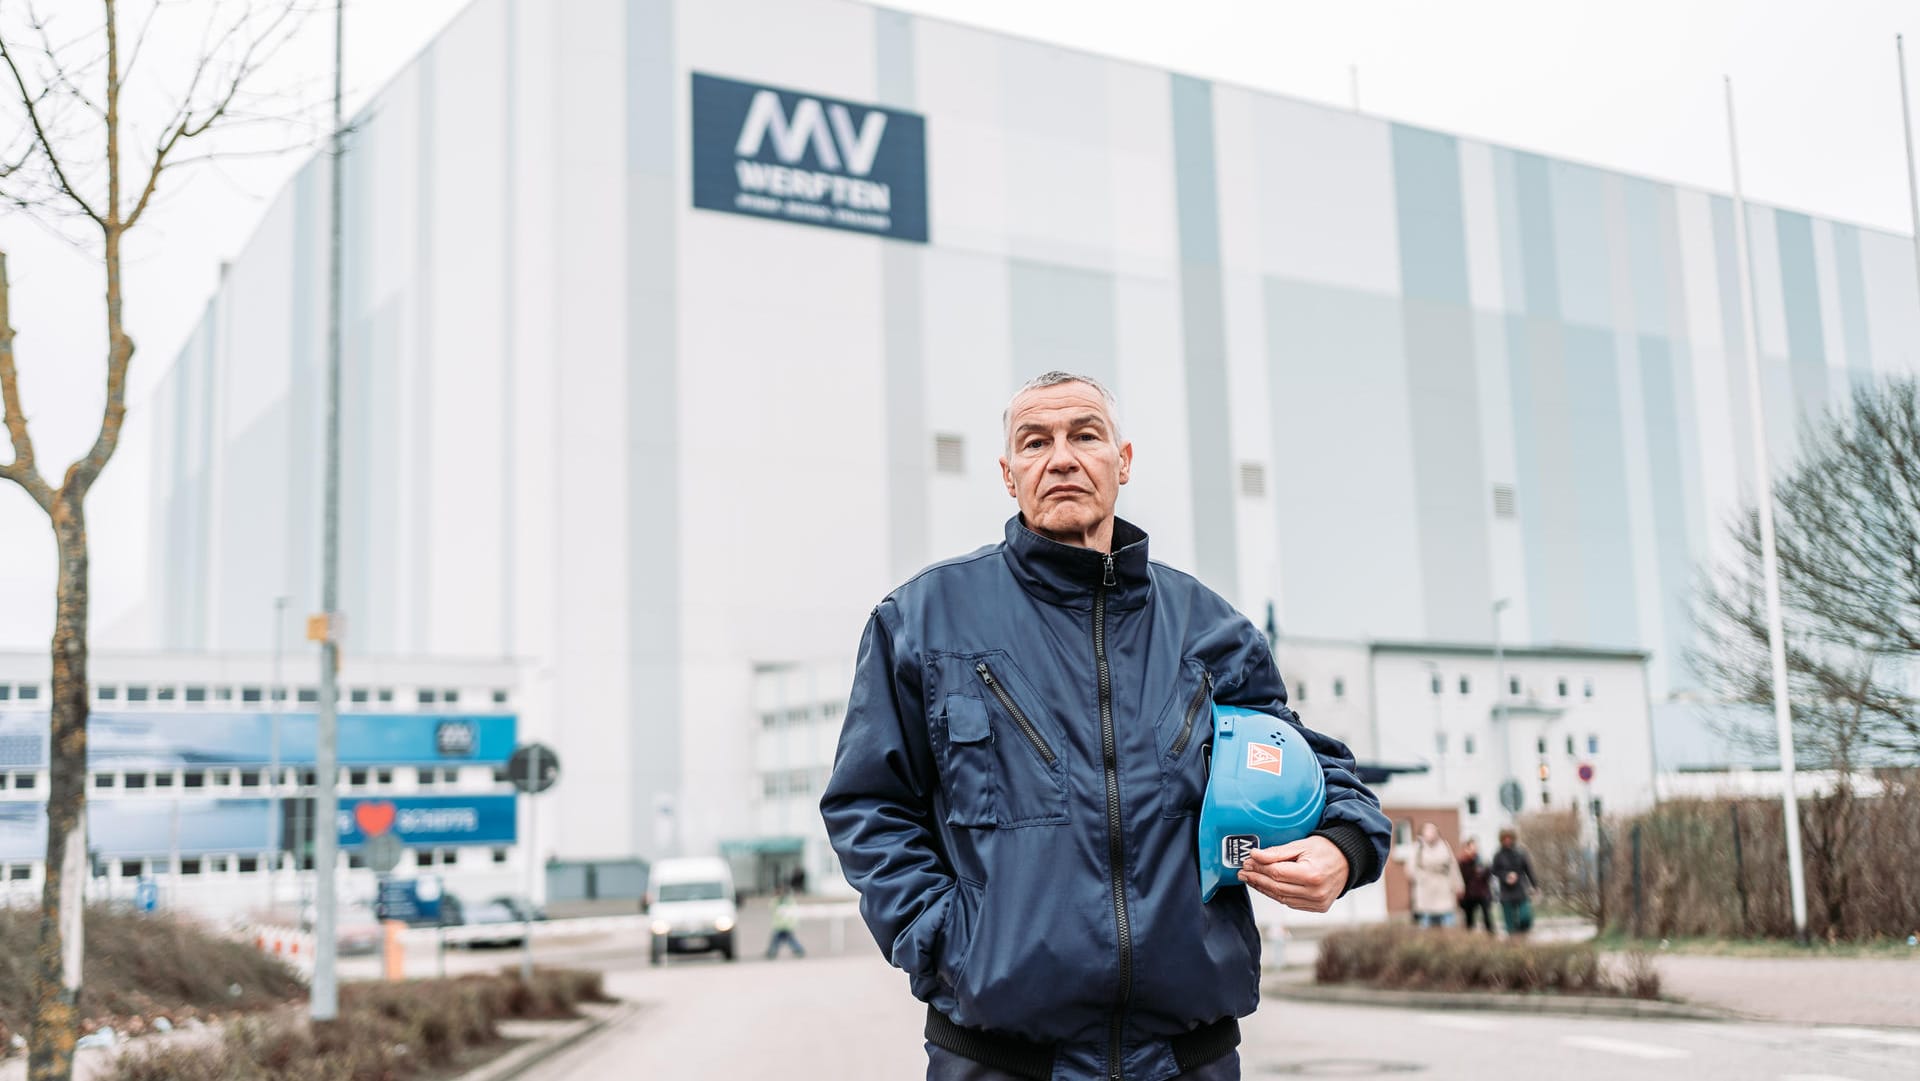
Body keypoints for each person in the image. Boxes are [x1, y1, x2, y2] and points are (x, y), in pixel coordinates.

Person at [820, 371, 1391, 1081]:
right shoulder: (923, 622)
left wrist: (1343, 845)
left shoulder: (1209, 630)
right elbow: (867, 803)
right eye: (1036, 441)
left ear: (1122, 461)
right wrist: (943, 939)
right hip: (1000, 1061)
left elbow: (1310, 763)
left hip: (1187, 1060)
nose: (1061, 456)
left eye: (1084, 435)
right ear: (1008, 473)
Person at [1404, 822, 1464, 929]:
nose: (1431, 833)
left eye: (1433, 830)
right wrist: (1421, 879)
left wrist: (1459, 885)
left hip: (1444, 891)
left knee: (1448, 925)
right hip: (1426, 893)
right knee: (1426, 926)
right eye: (1428, 830)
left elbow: (1453, 867)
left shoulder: (1444, 846)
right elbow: (1410, 869)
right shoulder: (1418, 848)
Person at [1490, 827, 1538, 938]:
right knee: (1509, 925)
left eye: (1509, 838)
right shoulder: (1498, 855)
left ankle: (1522, 931)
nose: (1507, 840)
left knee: (1525, 917)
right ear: (1501, 840)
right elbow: (1494, 871)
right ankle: (1514, 941)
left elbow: (1528, 869)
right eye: (1504, 838)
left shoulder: (1521, 852)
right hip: (1506, 892)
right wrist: (1506, 876)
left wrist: (1535, 885)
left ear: (1513, 838)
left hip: (1520, 889)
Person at [1456, 837, 1494, 934]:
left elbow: (1488, 876)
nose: (1474, 850)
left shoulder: (1482, 861)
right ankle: (1471, 938)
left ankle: (1490, 935)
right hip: (1468, 895)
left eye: (1475, 847)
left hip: (1482, 893)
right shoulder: (1462, 863)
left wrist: (1484, 869)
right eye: (1471, 848)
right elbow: (1461, 877)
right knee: (1469, 920)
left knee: (1487, 917)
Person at [766, 886, 805, 960]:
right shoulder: (779, 901)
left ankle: (772, 952)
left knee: (783, 939)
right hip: (780, 925)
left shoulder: (786, 901)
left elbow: (792, 912)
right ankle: (772, 951)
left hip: (785, 925)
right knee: (783, 939)